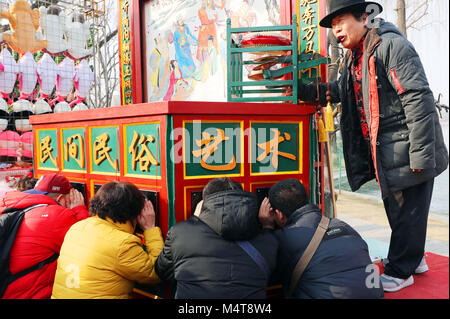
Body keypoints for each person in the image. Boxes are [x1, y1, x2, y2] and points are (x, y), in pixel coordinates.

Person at [298, 0, 448, 292]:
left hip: (407, 148)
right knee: (399, 209)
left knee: (408, 210)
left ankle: (401, 270)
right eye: (333, 26)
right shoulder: (356, 56)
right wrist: (307, 92)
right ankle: (413, 258)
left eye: (341, 21)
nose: (336, 30)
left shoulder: (391, 46)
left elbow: (417, 99)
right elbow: (341, 91)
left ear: (364, 17)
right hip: (389, 151)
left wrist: (420, 155)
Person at [258, 178, 384, 299]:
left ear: (279, 214)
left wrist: (267, 228)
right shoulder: (344, 226)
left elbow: (266, 272)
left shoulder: (286, 238)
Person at [155, 177, 278, 299]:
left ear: (203, 204)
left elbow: (162, 272)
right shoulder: (268, 241)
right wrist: (267, 226)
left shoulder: (179, 233)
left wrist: (196, 220)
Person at [51, 181, 164, 299]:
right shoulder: (122, 243)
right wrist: (150, 229)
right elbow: (155, 273)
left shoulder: (77, 227)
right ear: (135, 212)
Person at [0, 173, 89, 299]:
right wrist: (79, 209)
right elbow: (84, 246)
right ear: (60, 199)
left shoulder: (13, 206)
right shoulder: (56, 215)